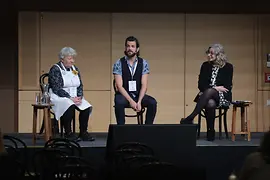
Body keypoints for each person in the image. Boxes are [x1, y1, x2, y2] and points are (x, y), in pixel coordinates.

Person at [180, 43, 233, 141]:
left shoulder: (228, 67)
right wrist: (215, 88)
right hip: (207, 95)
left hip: (223, 96)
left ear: (219, 54)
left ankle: (190, 117)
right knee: (210, 103)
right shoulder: (205, 66)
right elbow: (201, 85)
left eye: (211, 53)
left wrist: (213, 89)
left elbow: (226, 86)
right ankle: (211, 131)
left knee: (210, 91)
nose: (209, 55)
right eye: (208, 53)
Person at [48, 47, 95, 141]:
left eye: (73, 58)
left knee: (87, 107)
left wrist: (79, 96)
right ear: (62, 59)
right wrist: (70, 98)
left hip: (74, 96)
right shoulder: (55, 69)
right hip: (59, 96)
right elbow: (57, 88)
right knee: (68, 104)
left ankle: (83, 132)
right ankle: (68, 132)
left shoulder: (75, 69)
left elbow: (80, 85)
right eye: (70, 58)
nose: (72, 61)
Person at [112, 36, 157, 125]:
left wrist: (139, 101)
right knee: (119, 102)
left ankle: (148, 129)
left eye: (132, 46)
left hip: (138, 94)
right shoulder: (118, 63)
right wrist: (131, 101)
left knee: (152, 102)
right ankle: (121, 130)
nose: (130, 49)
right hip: (124, 95)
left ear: (137, 49)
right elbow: (119, 86)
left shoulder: (143, 63)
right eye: (128, 46)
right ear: (125, 48)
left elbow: (144, 85)